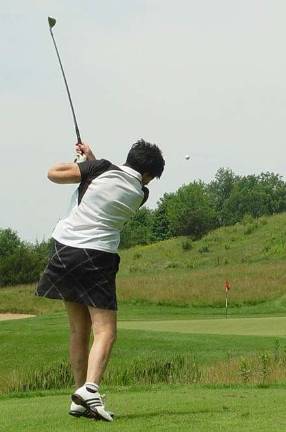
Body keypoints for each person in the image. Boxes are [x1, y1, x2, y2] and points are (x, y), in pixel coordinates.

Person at [35, 139, 165, 421]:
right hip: (97, 256)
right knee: (105, 331)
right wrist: (89, 164)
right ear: (147, 175)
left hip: (64, 249)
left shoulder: (100, 168)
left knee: (78, 331)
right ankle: (90, 390)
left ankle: (79, 396)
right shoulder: (141, 193)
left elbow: (54, 173)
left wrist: (84, 164)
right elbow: (108, 180)